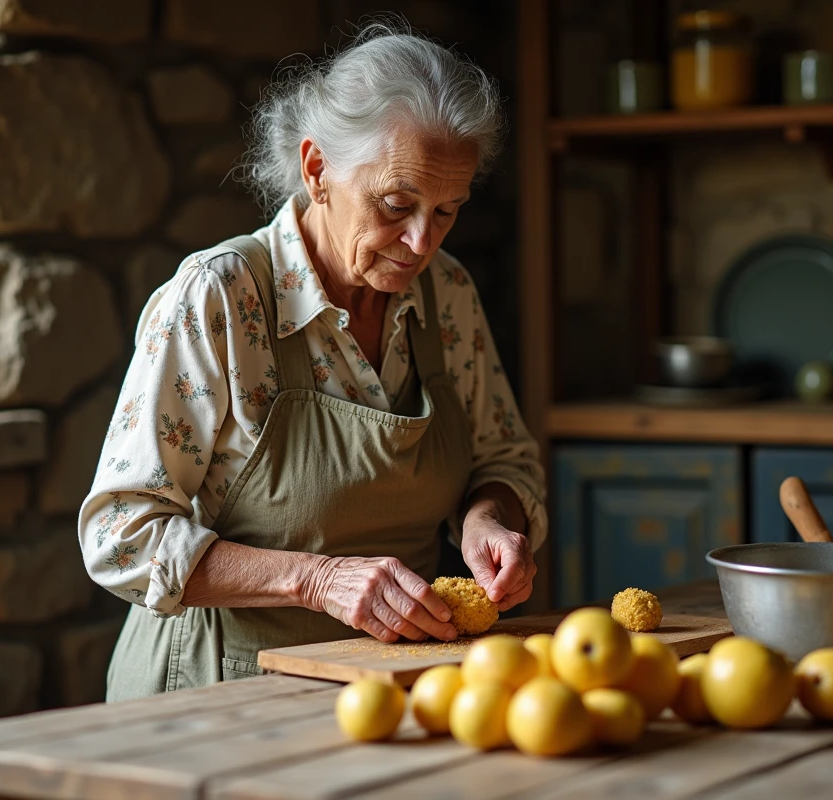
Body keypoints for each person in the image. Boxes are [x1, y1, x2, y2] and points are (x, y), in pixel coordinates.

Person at [78, 22, 547, 701]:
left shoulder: (447, 293)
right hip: (213, 695)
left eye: (447, 210)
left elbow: (504, 459)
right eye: (396, 204)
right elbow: (121, 535)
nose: (421, 241)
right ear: (317, 169)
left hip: (388, 688)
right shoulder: (222, 295)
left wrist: (488, 520)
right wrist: (319, 580)